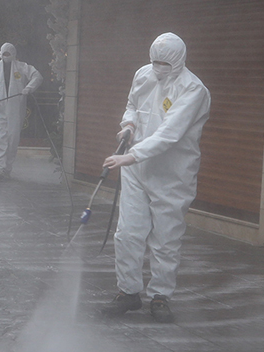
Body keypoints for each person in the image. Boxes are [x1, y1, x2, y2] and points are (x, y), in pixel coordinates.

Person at [100, 33, 210, 323]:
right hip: (136, 168)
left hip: (171, 173)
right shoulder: (144, 74)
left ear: (178, 61)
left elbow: (169, 133)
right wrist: (128, 125)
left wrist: (129, 156)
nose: (158, 67)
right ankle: (128, 293)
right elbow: (133, 104)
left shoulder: (193, 89)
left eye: (164, 63)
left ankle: (160, 297)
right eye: (155, 61)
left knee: (165, 237)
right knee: (127, 233)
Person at [0, 42, 43, 180]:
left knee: (13, 139)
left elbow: (37, 76)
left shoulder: (22, 67)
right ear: (0, 54)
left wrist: (28, 88)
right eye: (4, 54)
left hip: (15, 109)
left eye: (8, 54)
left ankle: (7, 168)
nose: (6, 56)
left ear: (14, 54)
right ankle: (0, 168)